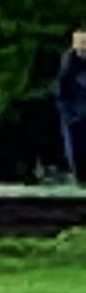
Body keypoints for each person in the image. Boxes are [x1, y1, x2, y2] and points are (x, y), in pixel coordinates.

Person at [54, 28, 86, 186]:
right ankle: (80, 179)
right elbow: (62, 90)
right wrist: (68, 113)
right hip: (72, 111)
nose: (82, 45)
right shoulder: (68, 62)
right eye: (79, 42)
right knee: (74, 147)